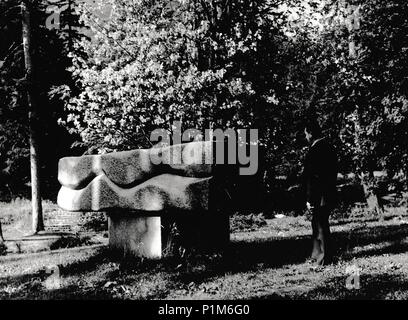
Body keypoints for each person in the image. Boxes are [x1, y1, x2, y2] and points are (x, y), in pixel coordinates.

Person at [303, 119, 338, 266]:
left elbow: (313, 177)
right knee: (319, 224)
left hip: (320, 194)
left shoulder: (315, 150)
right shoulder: (329, 147)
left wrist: (310, 198)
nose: (305, 137)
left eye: (306, 134)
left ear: (311, 133)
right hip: (328, 192)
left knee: (320, 225)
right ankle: (317, 255)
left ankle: (323, 258)